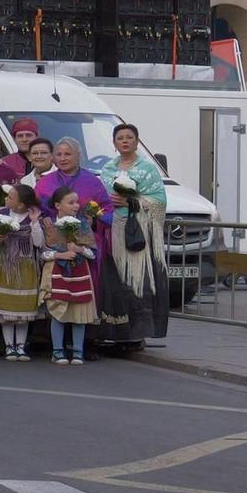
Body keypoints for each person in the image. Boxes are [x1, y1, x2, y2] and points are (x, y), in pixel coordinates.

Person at [98, 123, 170, 342]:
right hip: (113, 228)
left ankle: (140, 332)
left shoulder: (147, 169)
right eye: (120, 138)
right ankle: (118, 329)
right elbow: (101, 198)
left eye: (129, 137)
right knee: (117, 278)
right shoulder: (108, 169)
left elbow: (159, 202)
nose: (125, 141)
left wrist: (132, 201)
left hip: (139, 231)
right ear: (114, 143)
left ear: (137, 141)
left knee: (140, 278)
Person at [40, 189, 99, 365]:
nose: (76, 206)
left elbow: (92, 253)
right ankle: (57, 351)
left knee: (79, 312)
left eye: (77, 202)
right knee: (58, 311)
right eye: (71, 202)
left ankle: (78, 350)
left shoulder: (82, 224)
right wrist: (60, 255)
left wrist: (80, 249)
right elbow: (42, 253)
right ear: (58, 205)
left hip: (80, 272)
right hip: (56, 270)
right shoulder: (48, 225)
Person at [0, 184, 46, 360]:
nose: (6, 199)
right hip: (4, 265)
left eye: (10, 197)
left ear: (21, 204)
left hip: (25, 265)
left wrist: (35, 222)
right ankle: (9, 346)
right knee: (7, 308)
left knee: (22, 310)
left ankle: (20, 346)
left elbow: (38, 242)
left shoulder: (32, 216)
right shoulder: (2, 214)